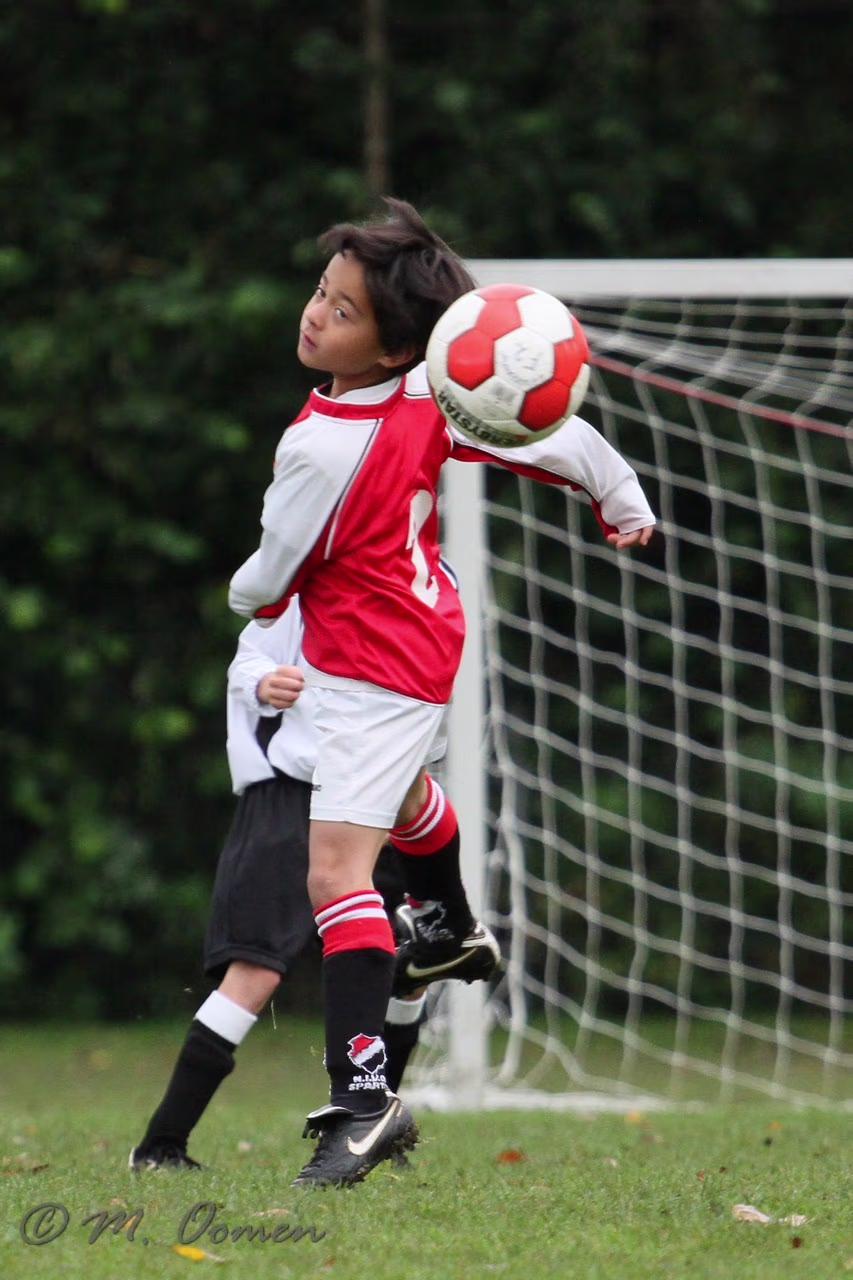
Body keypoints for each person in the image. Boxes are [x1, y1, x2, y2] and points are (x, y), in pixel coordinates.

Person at [228, 197, 655, 1188]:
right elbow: (542, 435)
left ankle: (363, 1101)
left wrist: (245, 597)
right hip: (408, 645)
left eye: (341, 310)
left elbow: (270, 573)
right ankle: (447, 923)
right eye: (321, 292)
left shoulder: (322, 448)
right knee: (405, 799)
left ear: (392, 348)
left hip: (376, 667)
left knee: (336, 876)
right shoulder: (429, 395)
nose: (314, 313)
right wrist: (618, 493)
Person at [129, 602, 441, 1171]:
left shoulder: (419, 594)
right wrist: (263, 683)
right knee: (254, 971)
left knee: (407, 965)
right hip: (292, 796)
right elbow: (248, 660)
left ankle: (372, 1127)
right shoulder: (304, 591)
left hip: (381, 797)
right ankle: (161, 1145)